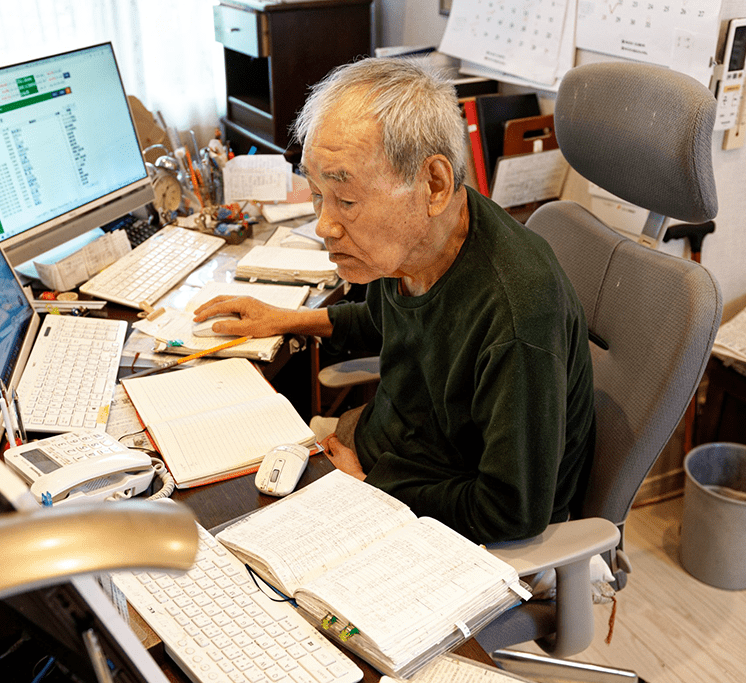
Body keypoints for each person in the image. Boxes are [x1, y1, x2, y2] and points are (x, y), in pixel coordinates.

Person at [195, 58, 594, 545]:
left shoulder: (516, 316)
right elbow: (385, 322)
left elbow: (512, 509)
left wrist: (372, 491)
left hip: (430, 508)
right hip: (384, 447)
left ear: (434, 184)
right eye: (318, 194)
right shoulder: (413, 245)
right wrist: (285, 319)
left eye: (346, 200)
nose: (324, 225)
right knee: (218, 466)